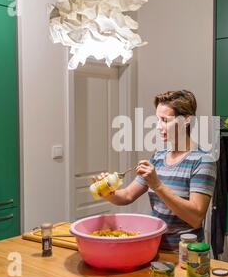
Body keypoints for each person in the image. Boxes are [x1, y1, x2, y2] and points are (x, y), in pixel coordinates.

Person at [93, 90, 217, 251]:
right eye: (157, 120)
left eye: (165, 120)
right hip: (153, 248)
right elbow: (127, 196)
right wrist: (108, 192)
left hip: (185, 254)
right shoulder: (158, 157)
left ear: (186, 120)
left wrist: (157, 185)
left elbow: (195, 218)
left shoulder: (202, 160)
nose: (158, 127)